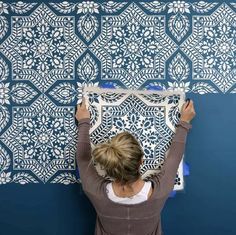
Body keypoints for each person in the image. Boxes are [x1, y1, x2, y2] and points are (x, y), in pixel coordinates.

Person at [76, 97, 195, 235]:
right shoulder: (159, 192)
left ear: (110, 165)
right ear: (141, 161)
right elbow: (174, 158)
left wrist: (84, 122)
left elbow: (83, 159)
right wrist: (184, 122)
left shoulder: (94, 191)